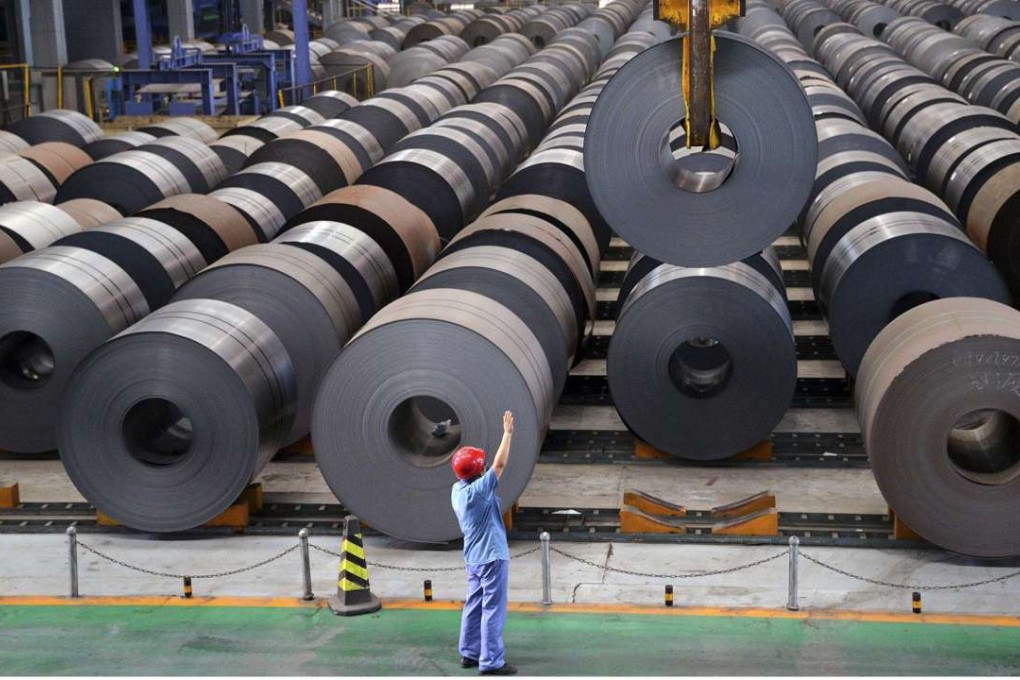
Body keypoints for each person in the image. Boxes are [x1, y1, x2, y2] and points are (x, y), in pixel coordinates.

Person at [450, 410, 517, 676]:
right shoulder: (479, 491)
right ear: (477, 471)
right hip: (492, 557)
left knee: (474, 603)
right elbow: (498, 466)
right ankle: (491, 662)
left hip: (473, 558)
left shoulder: (458, 490)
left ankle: (468, 653)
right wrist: (507, 434)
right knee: (492, 609)